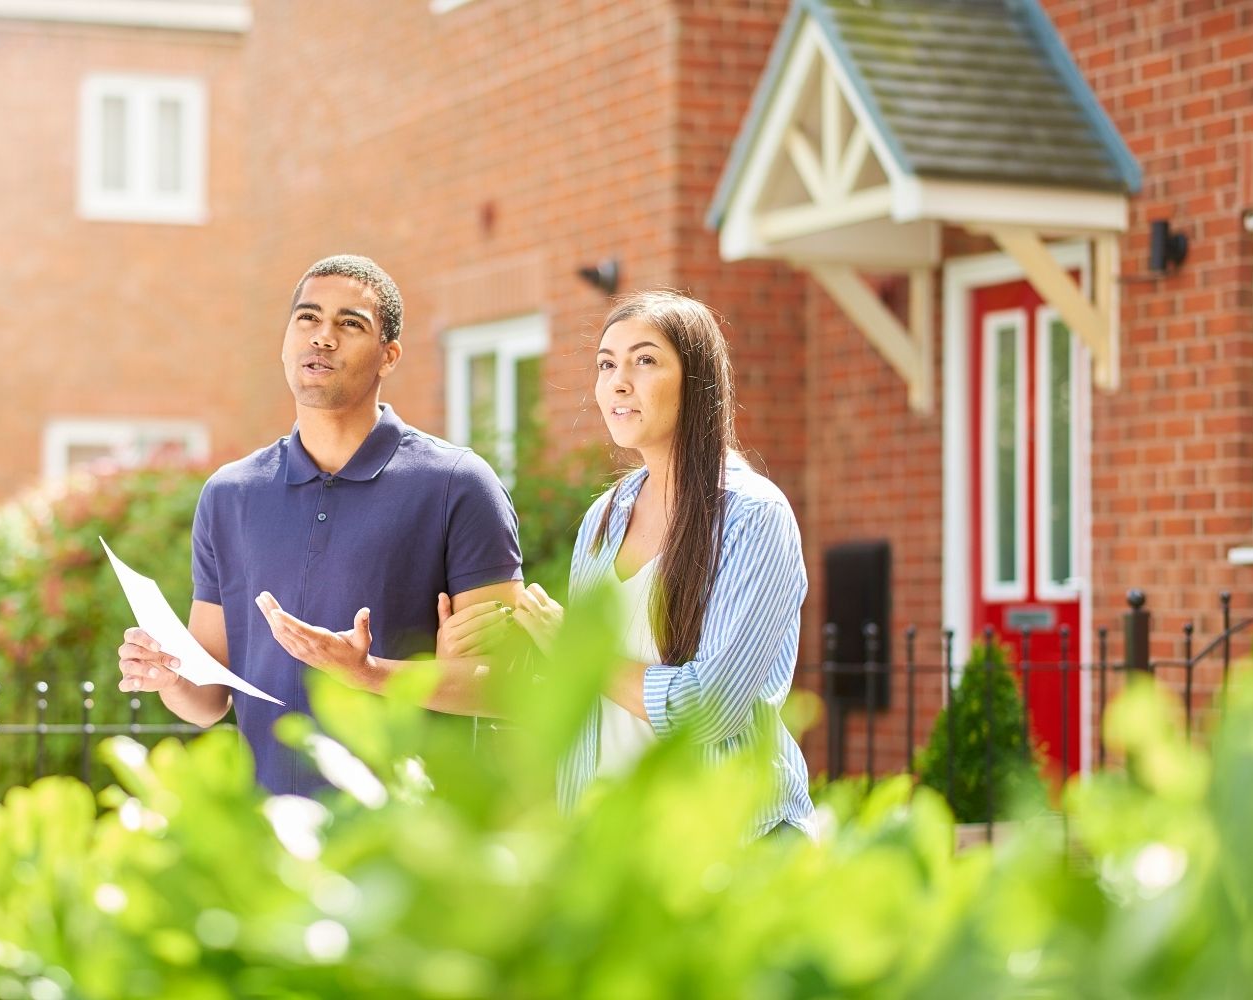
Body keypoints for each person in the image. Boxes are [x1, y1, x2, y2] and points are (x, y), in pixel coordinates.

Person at [258, 291, 816, 837]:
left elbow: (713, 709)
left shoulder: (753, 517)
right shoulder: (608, 516)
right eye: (606, 364)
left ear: (697, 381)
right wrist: (385, 670)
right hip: (616, 851)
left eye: (645, 360)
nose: (617, 382)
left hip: (735, 844)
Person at [116, 255, 523, 795]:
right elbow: (209, 701)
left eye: (350, 324)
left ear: (389, 355)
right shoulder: (230, 494)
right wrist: (169, 676)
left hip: (409, 839)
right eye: (307, 319)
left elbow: (506, 684)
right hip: (273, 837)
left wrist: (368, 671)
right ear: (285, 342)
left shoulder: (456, 483)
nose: (322, 338)